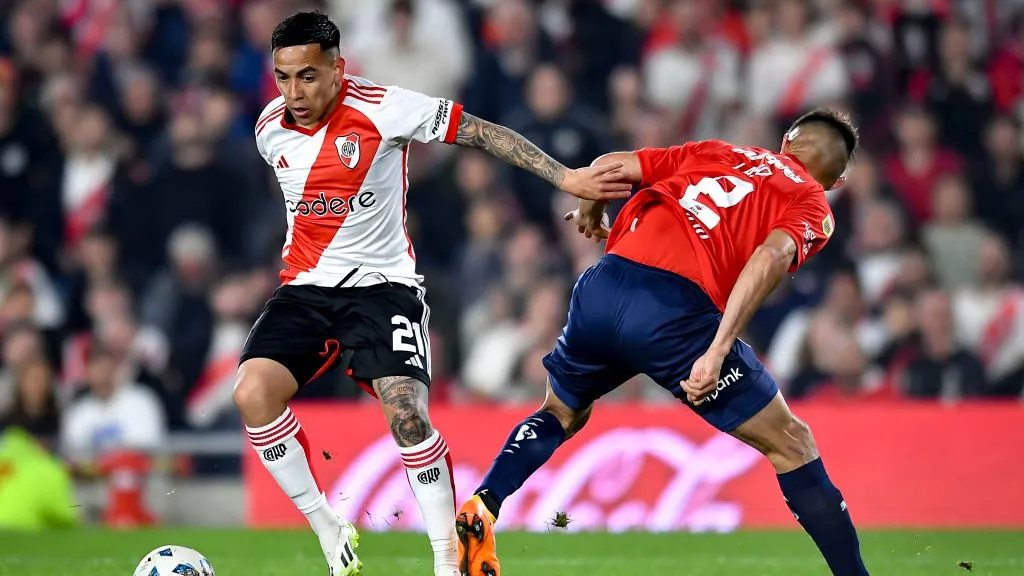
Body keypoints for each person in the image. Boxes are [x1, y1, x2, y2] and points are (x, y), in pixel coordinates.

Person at [232, 11, 630, 576]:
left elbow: (485, 132)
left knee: (407, 416)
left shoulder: (385, 106)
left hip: (384, 290)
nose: (294, 92)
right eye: (283, 76)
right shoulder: (269, 126)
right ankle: (328, 528)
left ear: (338, 68)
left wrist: (566, 177)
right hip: (306, 290)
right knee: (251, 394)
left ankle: (448, 558)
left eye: (308, 76)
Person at [457, 109, 870, 576]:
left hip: (601, 285)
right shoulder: (812, 200)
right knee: (792, 443)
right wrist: (717, 349)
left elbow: (610, 166)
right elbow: (771, 257)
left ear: (787, 141)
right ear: (835, 182)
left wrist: (592, 208)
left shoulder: (718, 150)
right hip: (674, 310)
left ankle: (484, 502)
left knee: (560, 411)